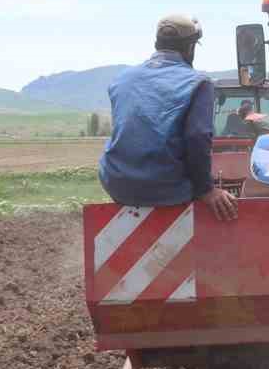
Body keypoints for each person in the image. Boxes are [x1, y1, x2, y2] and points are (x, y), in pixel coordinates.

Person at [97, 14, 238, 221]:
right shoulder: (198, 83)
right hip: (166, 189)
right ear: (190, 48)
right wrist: (207, 190)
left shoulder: (122, 79)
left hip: (117, 183)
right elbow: (197, 136)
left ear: (157, 44)